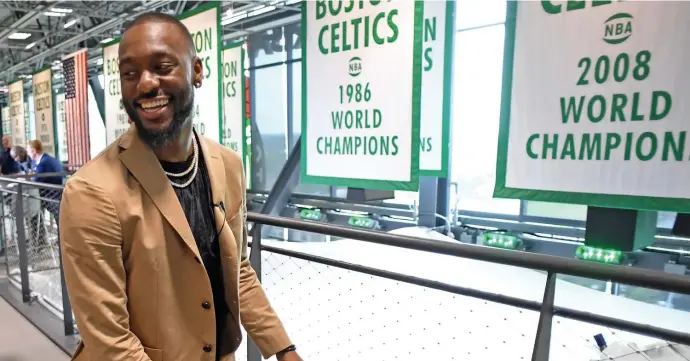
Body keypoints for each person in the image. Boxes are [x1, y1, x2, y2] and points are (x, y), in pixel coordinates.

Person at [59, 12, 301, 361]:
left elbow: (237, 270)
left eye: (162, 66)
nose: (144, 84)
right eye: (130, 73)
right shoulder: (91, 192)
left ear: (197, 71)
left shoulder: (227, 165)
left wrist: (283, 347)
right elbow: (109, 337)